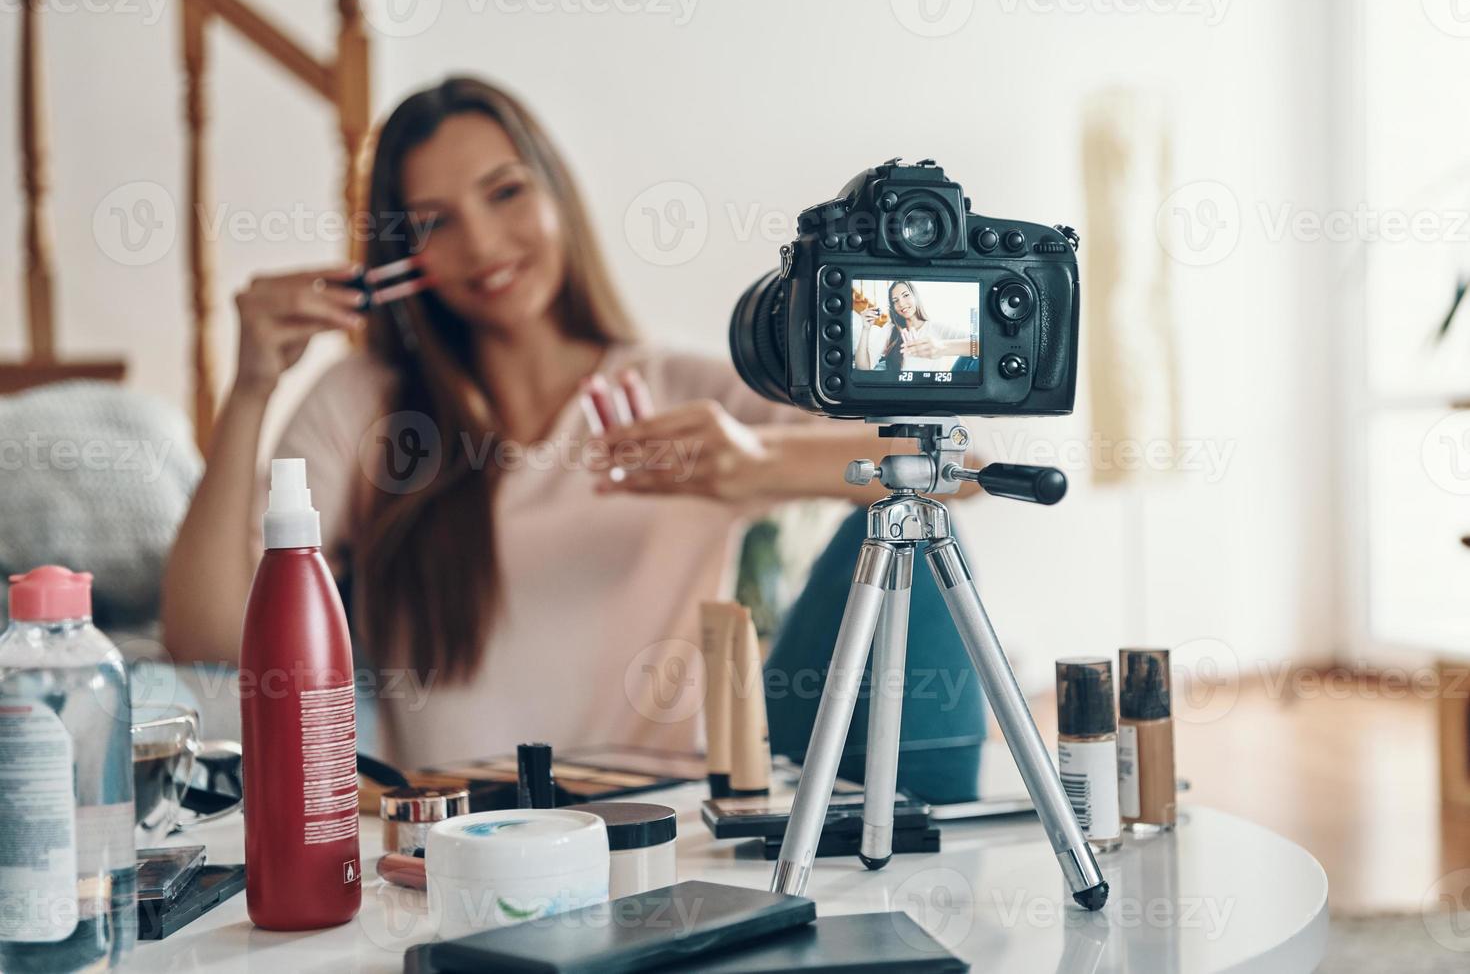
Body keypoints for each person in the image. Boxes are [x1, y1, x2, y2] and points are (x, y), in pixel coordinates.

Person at [161, 76, 979, 769]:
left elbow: (963, 463)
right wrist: (251, 387)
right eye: (434, 222)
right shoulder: (364, 403)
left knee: (913, 518)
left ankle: (900, 891)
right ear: (397, 258)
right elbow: (205, 634)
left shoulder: (678, 385)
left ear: (558, 195)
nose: (482, 241)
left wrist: (748, 463)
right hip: (467, 844)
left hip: (669, 829)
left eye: (506, 192)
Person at [877, 280, 973, 374]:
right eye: (895, 301)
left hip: (932, 388)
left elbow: (980, 344)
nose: (901, 304)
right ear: (892, 307)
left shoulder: (936, 328)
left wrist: (941, 348)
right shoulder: (890, 330)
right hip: (900, 387)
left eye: (906, 295)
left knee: (975, 355)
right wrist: (866, 328)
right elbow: (865, 366)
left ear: (915, 296)